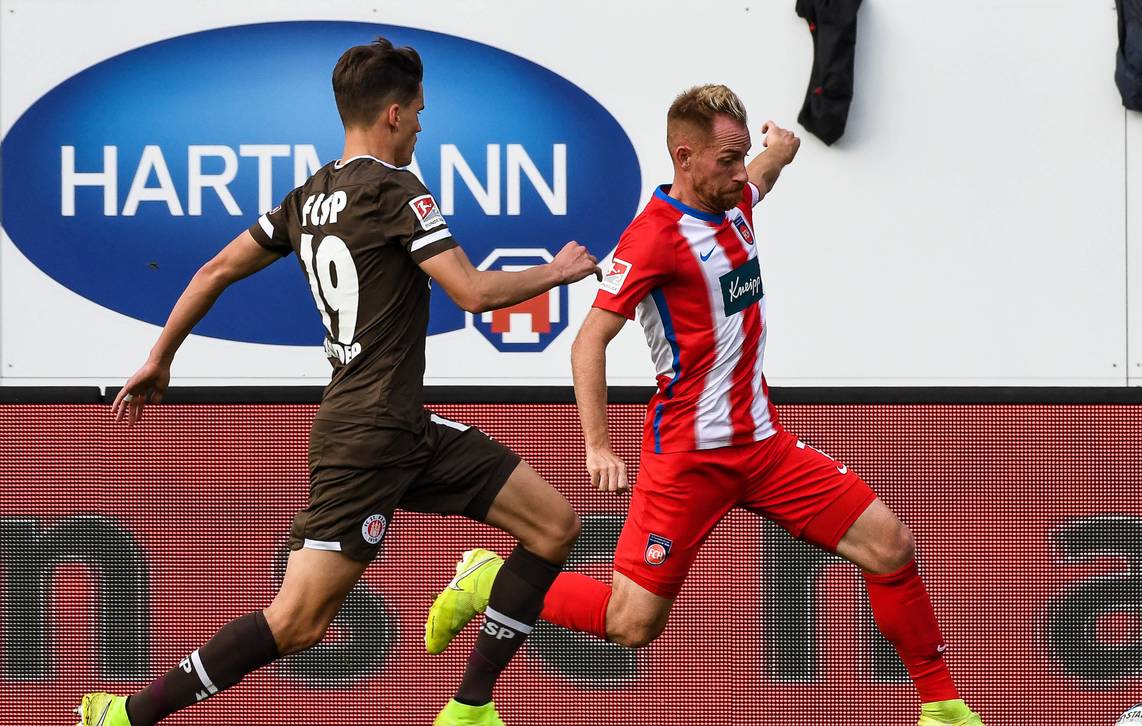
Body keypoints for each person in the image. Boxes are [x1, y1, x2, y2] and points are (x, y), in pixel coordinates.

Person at [78, 38, 600, 726]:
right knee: (297, 623)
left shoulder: (309, 196)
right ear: (391, 113)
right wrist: (555, 273)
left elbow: (214, 271)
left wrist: (160, 356)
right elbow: (470, 292)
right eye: (417, 110)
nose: (421, 123)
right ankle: (129, 715)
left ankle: (469, 708)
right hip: (366, 439)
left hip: (401, 425)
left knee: (552, 525)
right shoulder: (396, 193)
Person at [427, 84, 986, 726]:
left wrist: (779, 149)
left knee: (890, 545)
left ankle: (941, 707)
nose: (739, 170)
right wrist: (598, 445)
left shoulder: (737, 198)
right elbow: (588, 344)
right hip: (688, 459)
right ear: (685, 157)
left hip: (765, 447)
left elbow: (763, 177)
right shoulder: (652, 240)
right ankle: (489, 580)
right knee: (630, 624)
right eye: (727, 158)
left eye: (742, 155)